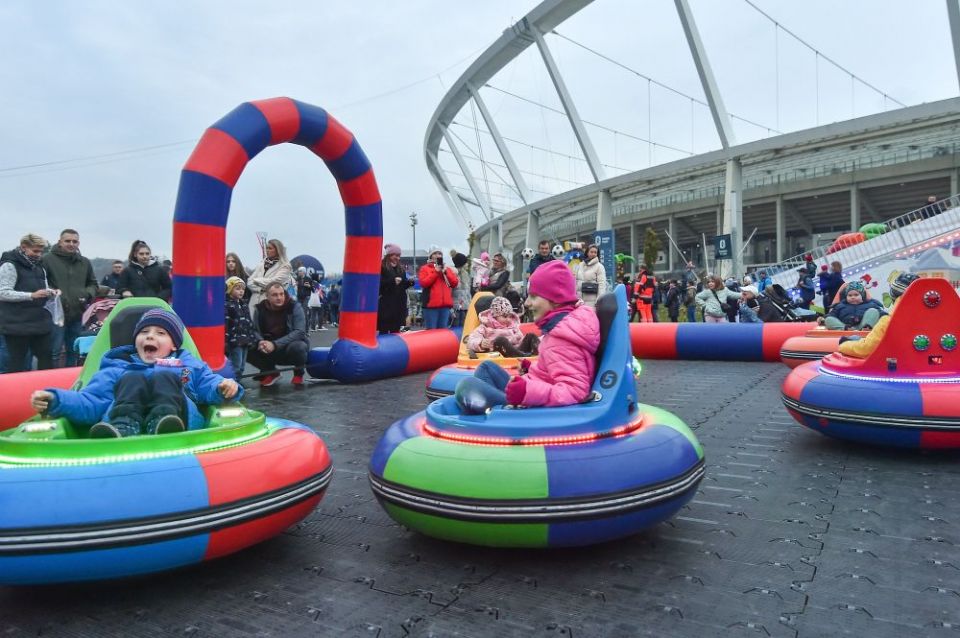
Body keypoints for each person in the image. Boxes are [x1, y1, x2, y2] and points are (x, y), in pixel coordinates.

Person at [30, 308, 241, 438]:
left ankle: (164, 422)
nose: (150, 337)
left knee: (164, 376)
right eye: (144, 332)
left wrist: (223, 387)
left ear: (173, 345)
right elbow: (91, 400)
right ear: (136, 341)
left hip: (181, 425)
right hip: (121, 429)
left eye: (160, 333)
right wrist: (56, 400)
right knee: (132, 378)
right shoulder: (117, 368)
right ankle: (121, 427)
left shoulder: (187, 365)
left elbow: (208, 383)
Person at [455, 260, 599, 415]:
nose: (528, 303)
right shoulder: (561, 328)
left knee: (467, 386)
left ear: (555, 300)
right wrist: (534, 369)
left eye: (534, 297)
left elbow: (575, 391)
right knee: (486, 368)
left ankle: (492, 421)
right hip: (533, 392)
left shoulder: (562, 339)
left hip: (530, 405)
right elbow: (559, 367)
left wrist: (527, 392)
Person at [0, 233, 56, 372]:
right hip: (16, 324)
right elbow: (3, 292)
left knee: (46, 359)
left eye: (41, 251)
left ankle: (46, 389)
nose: (39, 254)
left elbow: (42, 288)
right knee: (17, 363)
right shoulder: (9, 266)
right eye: (35, 251)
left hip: (39, 322)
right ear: (24, 247)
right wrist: (31, 295)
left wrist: (50, 292)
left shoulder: (40, 267)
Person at [43, 229, 98, 368]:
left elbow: (93, 283)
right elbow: (41, 281)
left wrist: (86, 294)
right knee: (53, 351)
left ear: (78, 243)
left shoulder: (84, 262)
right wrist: (52, 292)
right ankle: (51, 380)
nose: (71, 244)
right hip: (55, 315)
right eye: (68, 241)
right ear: (60, 242)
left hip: (76, 313)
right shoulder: (47, 259)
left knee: (73, 350)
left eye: (74, 241)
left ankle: (70, 381)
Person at [839, 273, 919, 358]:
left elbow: (866, 349)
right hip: (920, 362)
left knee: (855, 337)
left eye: (856, 295)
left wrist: (843, 345)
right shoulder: (928, 320)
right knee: (855, 337)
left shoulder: (888, 321)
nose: (853, 297)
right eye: (850, 295)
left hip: (895, 363)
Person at [248, 282, 310, 387]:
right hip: (268, 347)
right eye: (275, 295)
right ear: (267, 296)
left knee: (299, 347)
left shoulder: (294, 306)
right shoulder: (259, 308)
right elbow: (254, 330)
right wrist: (261, 341)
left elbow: (299, 332)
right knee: (246, 346)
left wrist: (275, 344)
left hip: (289, 346)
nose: (279, 297)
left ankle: (299, 373)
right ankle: (271, 372)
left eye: (282, 294)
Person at [418, 246, 459, 330]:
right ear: (430, 256)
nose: (438, 255)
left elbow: (454, 283)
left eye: (440, 253)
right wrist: (435, 272)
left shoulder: (447, 269)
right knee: (431, 332)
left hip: (445, 306)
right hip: (430, 306)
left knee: (443, 332)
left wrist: (446, 272)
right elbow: (424, 283)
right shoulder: (424, 268)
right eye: (435, 253)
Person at [247, 239, 292, 311]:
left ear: (278, 250)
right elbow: (249, 281)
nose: (267, 250)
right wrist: (261, 289)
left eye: (270, 248)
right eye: (266, 248)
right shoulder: (261, 264)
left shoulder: (285, 266)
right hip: (254, 302)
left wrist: (256, 280)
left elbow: (275, 283)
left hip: (271, 304)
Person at [225, 277, 256, 379]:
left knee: (242, 365)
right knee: (235, 364)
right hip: (235, 340)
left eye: (243, 288)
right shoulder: (227, 305)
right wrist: (226, 340)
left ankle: (237, 382)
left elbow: (248, 322)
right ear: (230, 289)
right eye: (237, 288)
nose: (241, 291)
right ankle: (232, 382)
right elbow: (226, 323)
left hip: (245, 339)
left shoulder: (243, 304)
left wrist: (252, 336)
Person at [378, 243, 413, 334]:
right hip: (386, 305)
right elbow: (379, 285)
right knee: (384, 331)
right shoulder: (381, 267)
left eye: (399, 256)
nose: (398, 258)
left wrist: (409, 283)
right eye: (396, 255)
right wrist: (392, 282)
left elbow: (402, 284)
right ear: (389, 255)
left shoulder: (400, 269)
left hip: (398, 305)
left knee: (396, 331)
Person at [575, 244, 607, 308]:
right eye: (591, 252)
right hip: (579, 302)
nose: (593, 254)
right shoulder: (580, 265)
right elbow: (575, 281)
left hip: (592, 303)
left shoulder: (599, 267)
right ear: (587, 252)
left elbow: (602, 285)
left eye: (595, 252)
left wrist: (599, 301)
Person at [451, 253, 471, 328]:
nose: (467, 265)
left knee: (464, 328)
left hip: (466, 306)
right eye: (466, 263)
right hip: (456, 307)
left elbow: (468, 291)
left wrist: (470, 305)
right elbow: (449, 292)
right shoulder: (452, 274)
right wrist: (451, 309)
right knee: (455, 328)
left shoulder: (466, 274)